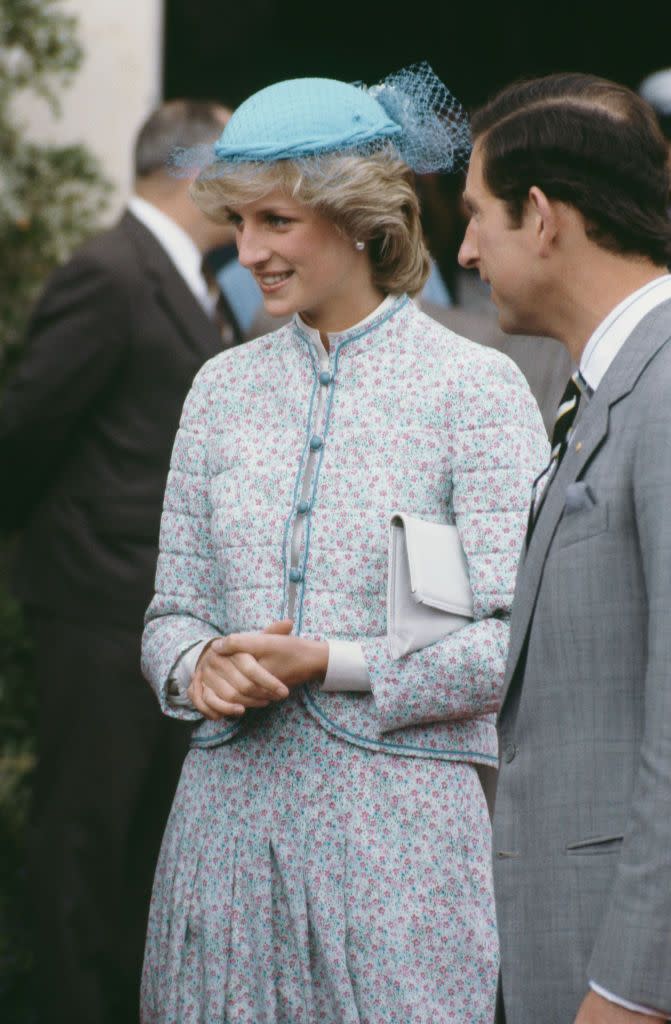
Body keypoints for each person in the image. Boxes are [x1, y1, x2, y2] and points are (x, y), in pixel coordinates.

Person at [140, 65, 548, 1023]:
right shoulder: (219, 391)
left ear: (361, 218)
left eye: (275, 223)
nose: (247, 252)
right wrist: (199, 667)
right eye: (238, 223)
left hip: (399, 840)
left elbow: (511, 646)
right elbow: (168, 614)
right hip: (224, 831)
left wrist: (331, 661)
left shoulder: (475, 390)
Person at [0, 100, 238, 1023]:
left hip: (160, 613)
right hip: (99, 601)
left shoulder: (196, 281)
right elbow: (26, 425)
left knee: (145, 839)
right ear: (195, 169)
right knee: (86, 835)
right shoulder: (109, 272)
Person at [458, 72, 671, 1023]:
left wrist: (632, 987)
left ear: (540, 215)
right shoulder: (610, 382)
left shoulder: (663, 392)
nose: (462, 251)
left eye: (475, 217)